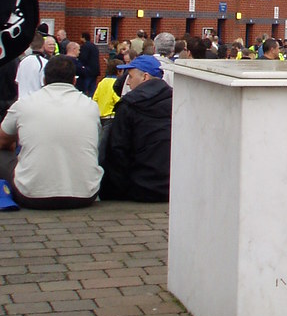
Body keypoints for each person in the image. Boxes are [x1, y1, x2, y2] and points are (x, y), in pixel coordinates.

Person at [0, 56, 102, 208]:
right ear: (74, 81)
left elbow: (2, 141)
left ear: (44, 80)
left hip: (32, 196)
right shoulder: (91, 106)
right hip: (85, 195)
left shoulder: (23, 104)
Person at [99, 55, 173, 203]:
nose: (128, 83)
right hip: (170, 186)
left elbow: (117, 150)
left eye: (131, 77)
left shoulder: (129, 105)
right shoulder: (177, 101)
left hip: (140, 187)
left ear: (145, 77)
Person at [76, 31, 101, 97]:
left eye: (80, 37)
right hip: (95, 71)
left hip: (88, 71)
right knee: (92, 90)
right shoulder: (94, 46)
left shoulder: (85, 46)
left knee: (84, 89)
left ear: (83, 38)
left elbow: (83, 58)